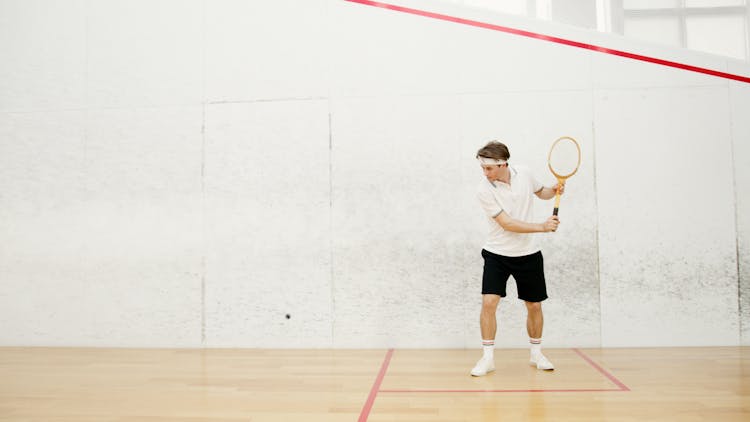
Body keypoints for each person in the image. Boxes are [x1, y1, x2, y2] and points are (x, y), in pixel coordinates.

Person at [471, 140, 563, 377]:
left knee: (534, 305)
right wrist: (542, 227)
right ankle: (487, 358)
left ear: (503, 164)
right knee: (489, 302)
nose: (485, 173)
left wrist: (554, 190)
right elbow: (507, 224)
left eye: (489, 168)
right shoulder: (484, 189)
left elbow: (541, 192)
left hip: (529, 254)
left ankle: (536, 354)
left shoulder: (524, 174)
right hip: (496, 254)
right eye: (482, 168)